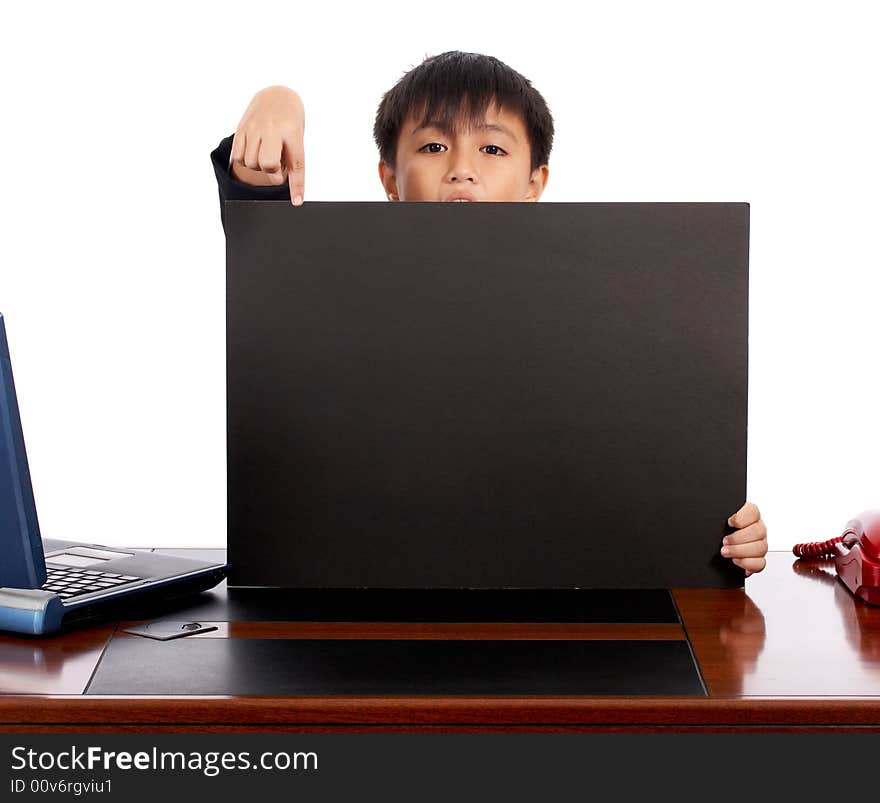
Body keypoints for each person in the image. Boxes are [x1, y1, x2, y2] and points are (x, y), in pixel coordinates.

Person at [209, 50, 769, 577]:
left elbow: (645, 458)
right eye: (432, 148)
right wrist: (276, 105)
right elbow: (269, 258)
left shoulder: (608, 312)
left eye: (492, 149)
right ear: (389, 181)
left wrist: (721, 536)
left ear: (535, 183)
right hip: (360, 606)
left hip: (565, 613)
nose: (461, 170)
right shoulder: (335, 290)